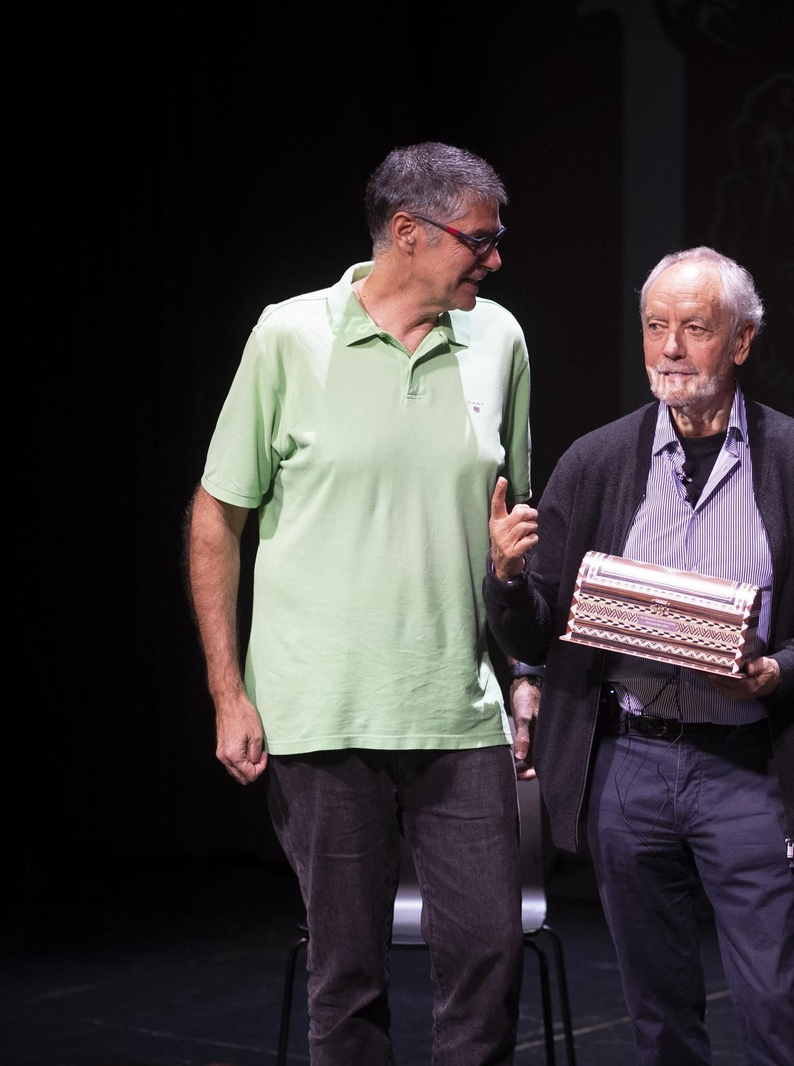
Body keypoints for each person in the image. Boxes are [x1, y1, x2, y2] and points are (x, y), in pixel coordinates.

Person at [186, 142, 532, 1066]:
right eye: (480, 240)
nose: (495, 260)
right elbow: (218, 516)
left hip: (459, 711)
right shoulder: (289, 336)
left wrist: (522, 668)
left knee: (491, 958)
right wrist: (228, 690)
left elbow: (512, 527)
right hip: (322, 714)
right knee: (347, 978)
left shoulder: (499, 340)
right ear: (408, 234)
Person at [484, 247, 794, 1066]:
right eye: (657, 328)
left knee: (776, 1014)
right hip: (632, 765)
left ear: (742, 342)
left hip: (750, 769)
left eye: (695, 327)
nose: (672, 349)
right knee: (658, 1021)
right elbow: (538, 631)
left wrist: (779, 669)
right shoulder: (596, 463)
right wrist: (507, 581)